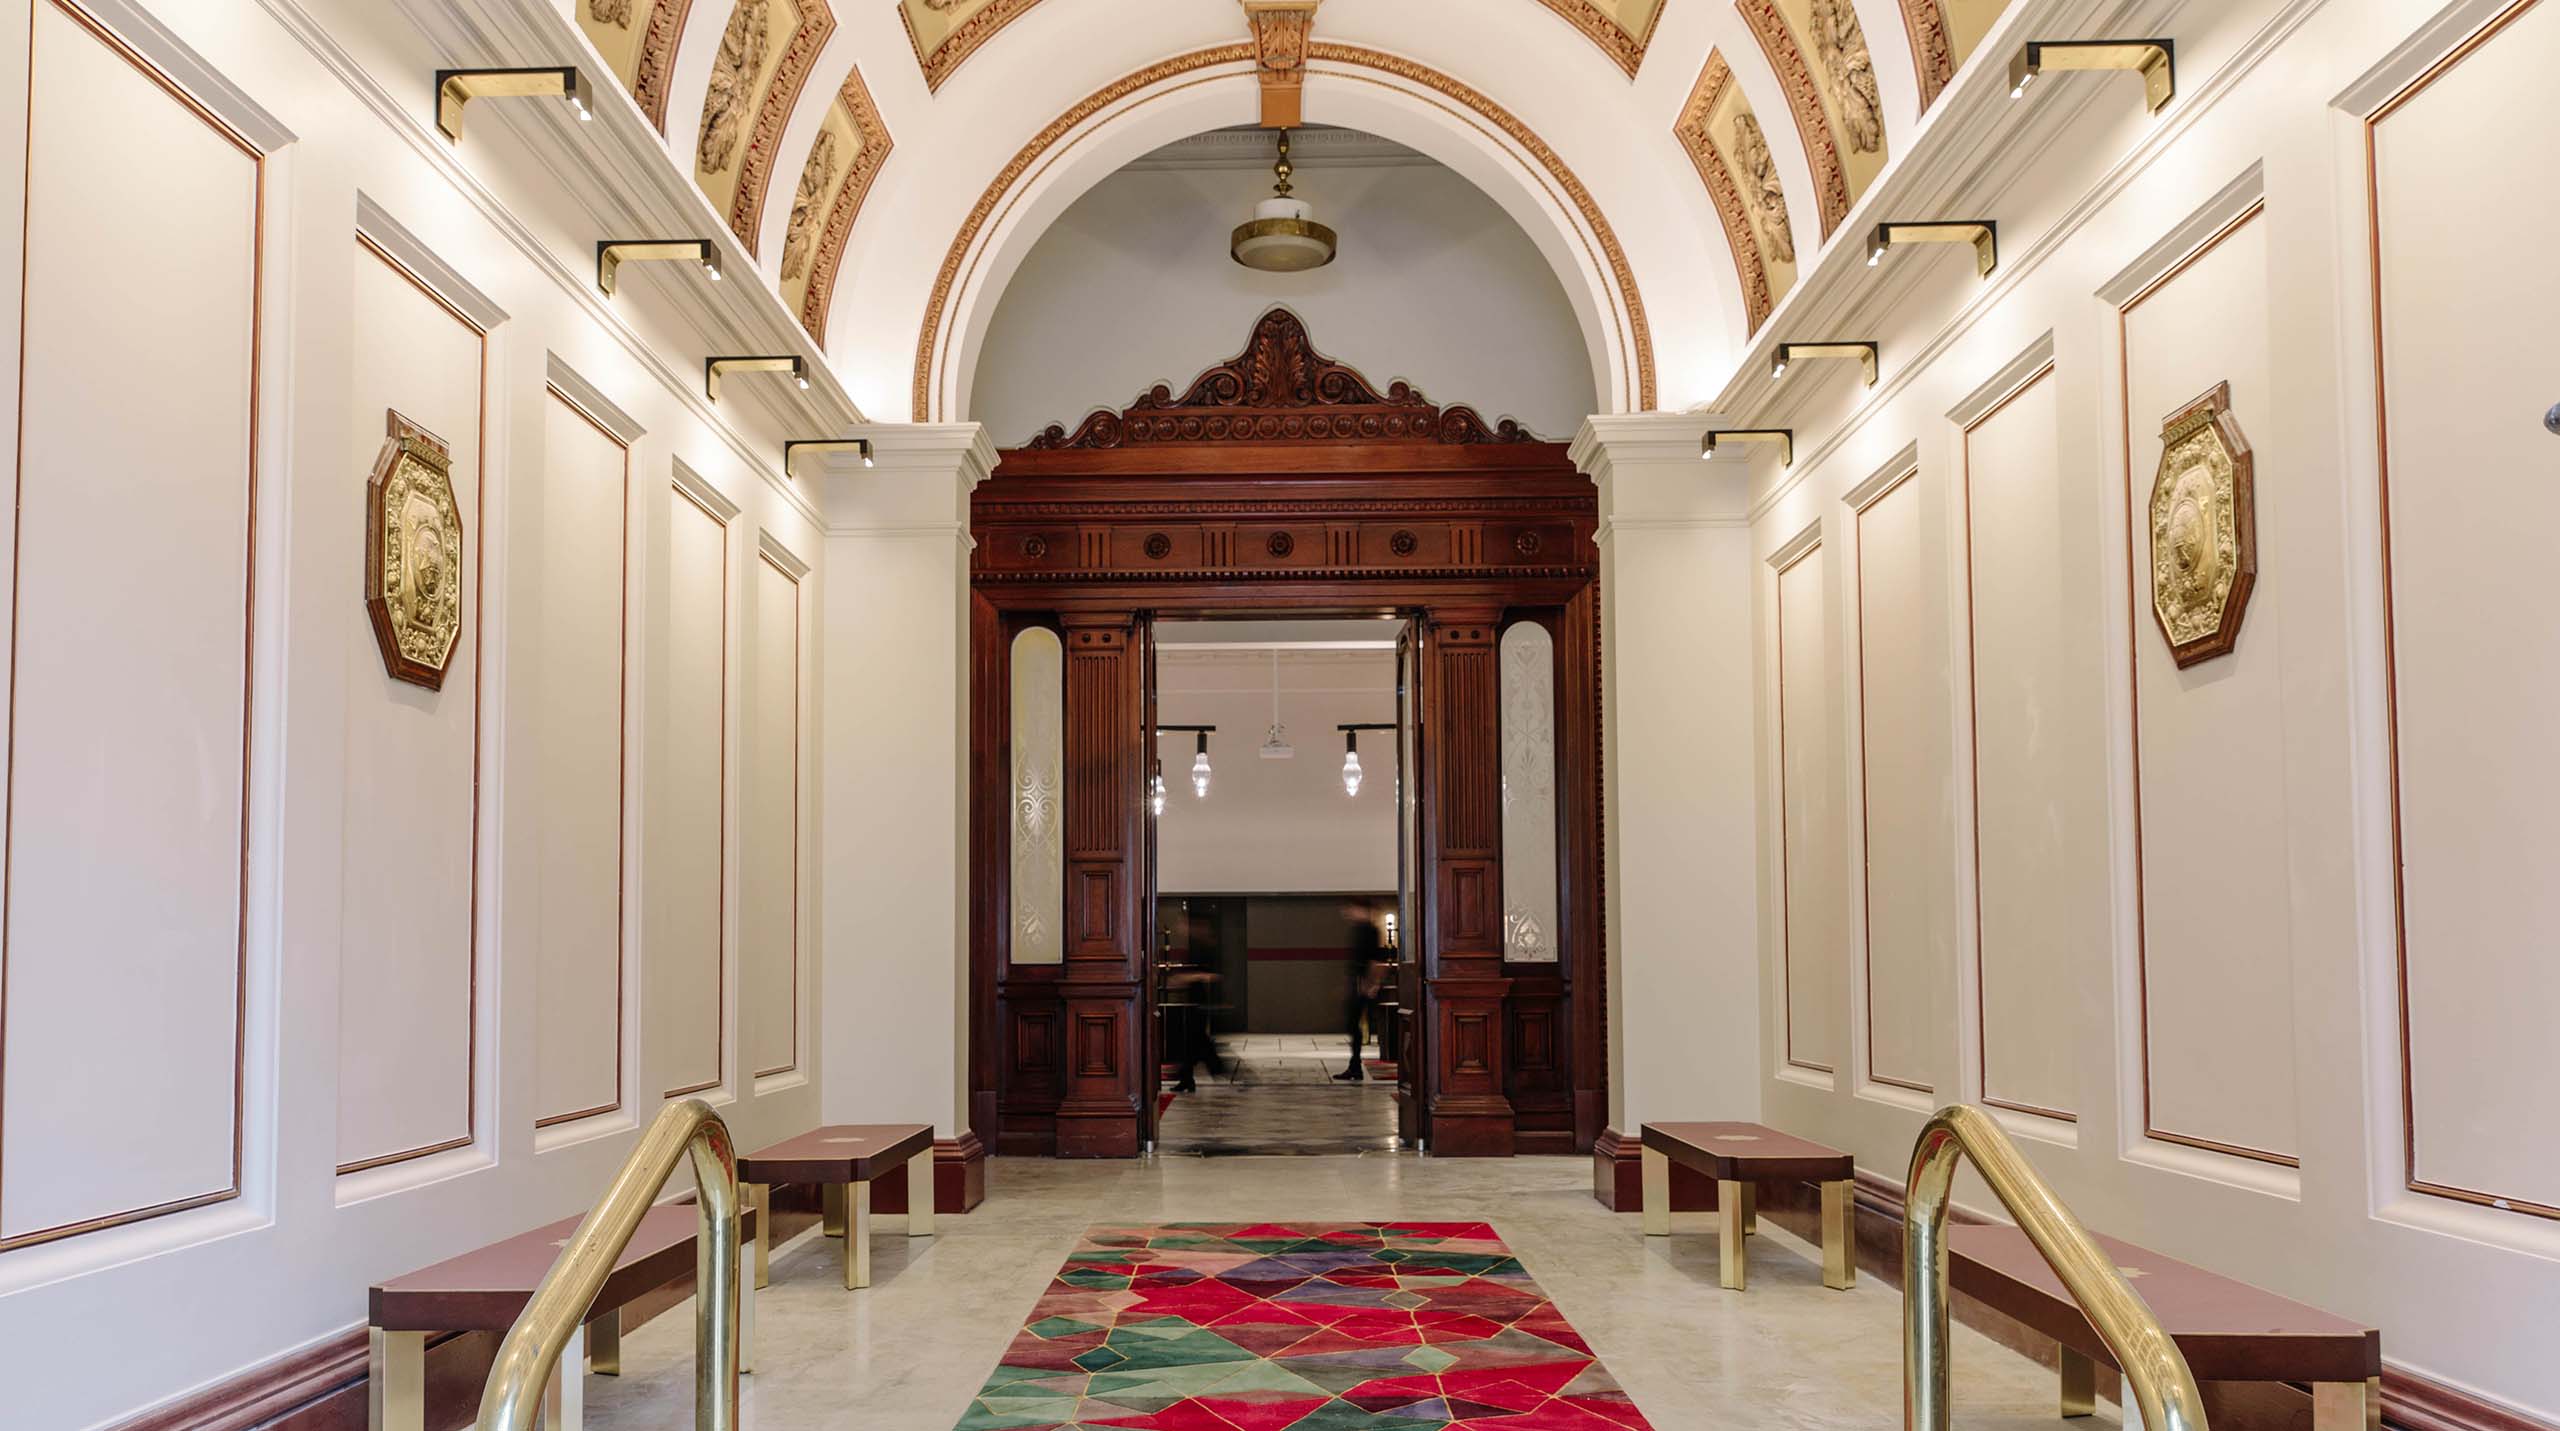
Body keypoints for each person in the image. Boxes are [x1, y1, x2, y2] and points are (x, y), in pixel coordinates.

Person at [1334, 905, 1389, 1082]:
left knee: (1354, 1023)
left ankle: (1355, 1066)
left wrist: (1371, 984)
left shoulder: (1369, 930)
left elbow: (1374, 960)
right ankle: (1354, 1065)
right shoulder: (1360, 930)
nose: (1347, 913)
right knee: (1353, 1025)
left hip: (1363, 984)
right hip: (1358, 983)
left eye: (1351, 910)